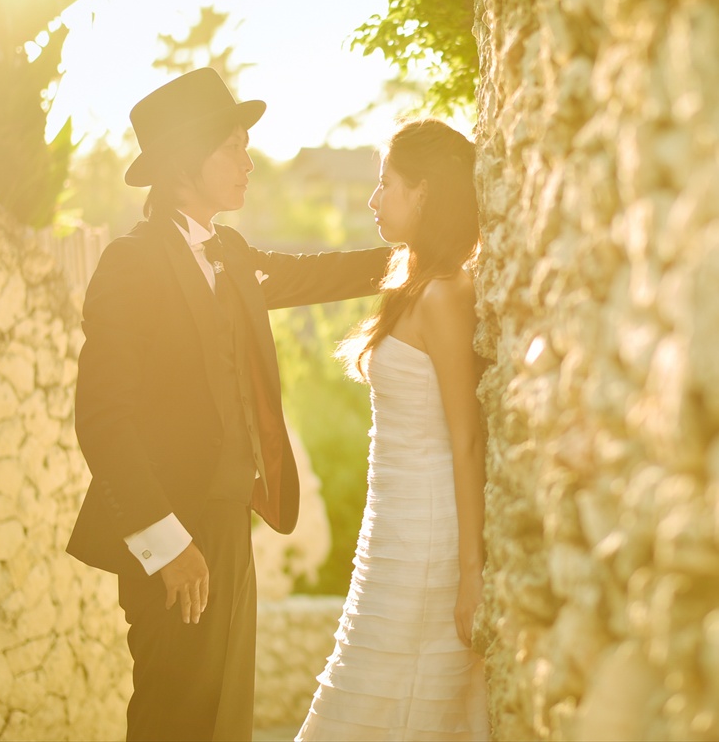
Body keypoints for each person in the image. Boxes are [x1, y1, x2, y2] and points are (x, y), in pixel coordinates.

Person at [65, 67, 391, 741]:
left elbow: (312, 274)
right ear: (186, 161)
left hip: (230, 520)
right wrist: (166, 542)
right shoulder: (131, 264)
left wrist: (416, 256)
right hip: (171, 534)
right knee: (173, 716)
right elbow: (103, 419)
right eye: (232, 148)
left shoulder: (231, 252)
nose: (248, 163)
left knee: (225, 720)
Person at [295, 119, 489, 741]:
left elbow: (467, 439)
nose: (375, 199)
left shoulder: (446, 294)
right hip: (391, 528)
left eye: (386, 184)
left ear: (424, 194)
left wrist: (470, 573)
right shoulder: (411, 286)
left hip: (430, 535)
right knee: (365, 688)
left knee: (398, 696)